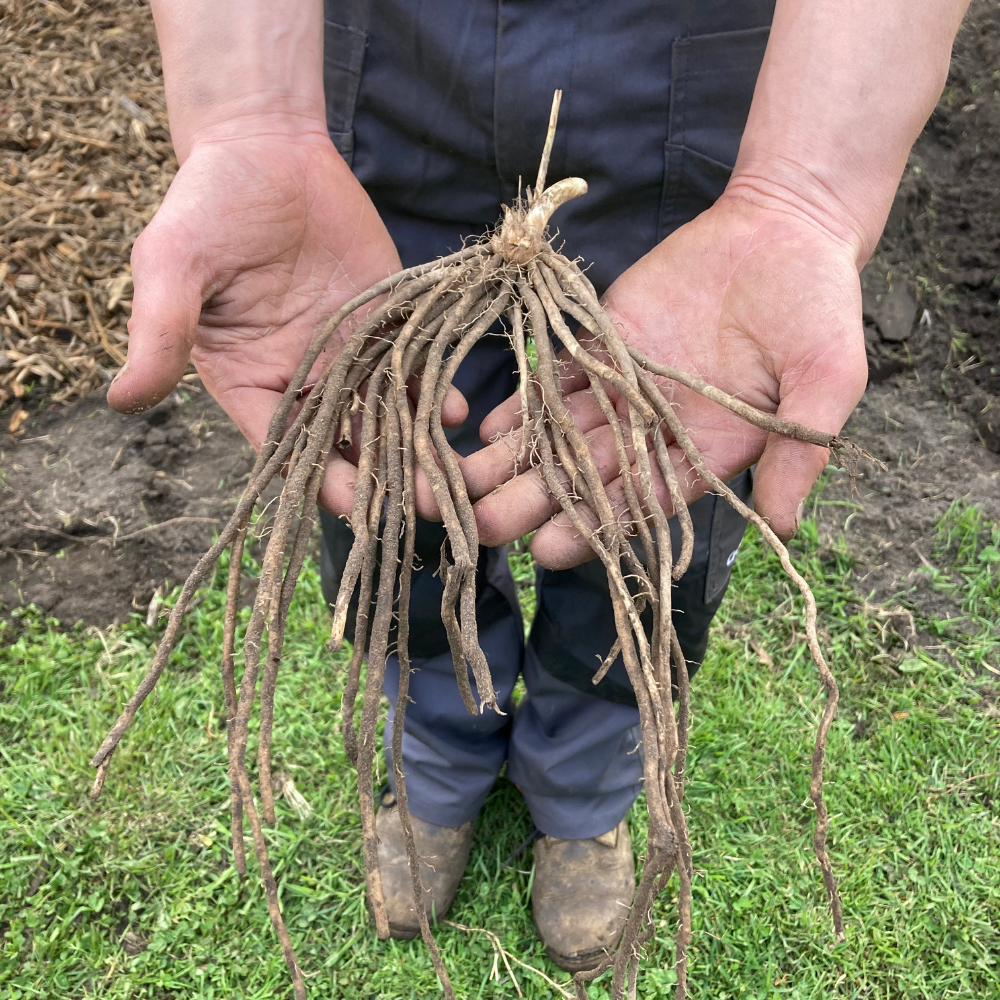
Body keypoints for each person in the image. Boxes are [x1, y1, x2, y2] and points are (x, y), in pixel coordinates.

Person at [109, 0, 971, 972]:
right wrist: (250, 121)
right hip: (385, 73)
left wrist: (803, 192)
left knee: (640, 502)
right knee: (397, 481)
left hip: (701, 77)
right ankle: (434, 768)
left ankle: (581, 797)